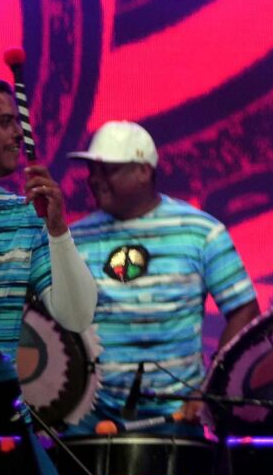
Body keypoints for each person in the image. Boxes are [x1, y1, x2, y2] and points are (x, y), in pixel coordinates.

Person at [65, 120, 259, 429]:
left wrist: (212, 385)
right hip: (91, 415)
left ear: (143, 171)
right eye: (92, 170)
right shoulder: (74, 238)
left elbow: (244, 310)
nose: (95, 179)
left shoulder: (201, 232)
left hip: (177, 414)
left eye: (108, 170)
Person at [0, 74, 96, 436]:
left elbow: (77, 315)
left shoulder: (24, 215)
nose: (19, 134)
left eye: (18, 122)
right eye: (4, 122)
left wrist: (57, 229)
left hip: (0, 422)